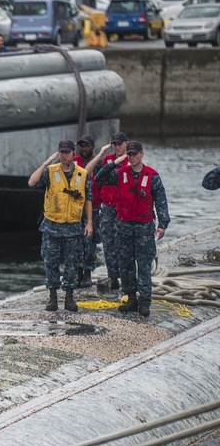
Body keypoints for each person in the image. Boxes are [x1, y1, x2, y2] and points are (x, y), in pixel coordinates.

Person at [94, 141, 171, 317]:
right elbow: (99, 178)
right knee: (126, 266)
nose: (133, 157)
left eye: (135, 154)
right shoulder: (120, 174)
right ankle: (130, 298)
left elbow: (161, 202)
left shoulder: (152, 176)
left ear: (142, 154)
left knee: (143, 266)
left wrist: (162, 225)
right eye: (130, 154)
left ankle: (144, 301)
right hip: (124, 228)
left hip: (144, 228)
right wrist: (113, 162)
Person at [28, 139, 93, 312]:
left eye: (67, 152)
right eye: (62, 152)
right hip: (52, 226)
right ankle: (53, 297)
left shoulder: (82, 174)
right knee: (51, 263)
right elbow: (31, 182)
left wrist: (89, 223)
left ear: (73, 153)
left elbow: (88, 199)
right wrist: (45, 163)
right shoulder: (50, 172)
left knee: (72, 264)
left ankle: (69, 297)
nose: (64, 155)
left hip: (73, 227)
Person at [86, 131, 130, 291]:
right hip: (108, 207)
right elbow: (92, 178)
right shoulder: (107, 161)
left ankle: (127, 278)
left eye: (120, 143)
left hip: (124, 209)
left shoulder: (131, 160)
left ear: (126, 143)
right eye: (115, 144)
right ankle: (113, 276)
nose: (118, 147)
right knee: (108, 243)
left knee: (124, 244)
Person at [75, 134, 99, 288]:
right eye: (81, 145)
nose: (84, 148)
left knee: (89, 242)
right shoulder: (73, 161)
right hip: (75, 208)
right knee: (76, 241)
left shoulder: (98, 162)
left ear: (92, 147)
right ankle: (77, 272)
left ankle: (88, 272)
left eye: (87, 145)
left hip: (94, 207)